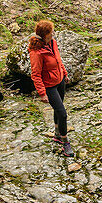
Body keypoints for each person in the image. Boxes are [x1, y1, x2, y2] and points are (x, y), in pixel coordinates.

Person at [28, 20, 74, 158]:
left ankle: (57, 134)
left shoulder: (52, 43)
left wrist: (64, 74)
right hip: (49, 86)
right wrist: (42, 93)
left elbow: (58, 60)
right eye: (51, 32)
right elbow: (35, 74)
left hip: (60, 81)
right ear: (44, 35)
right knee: (63, 113)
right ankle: (65, 142)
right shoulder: (36, 52)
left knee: (58, 111)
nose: (53, 33)